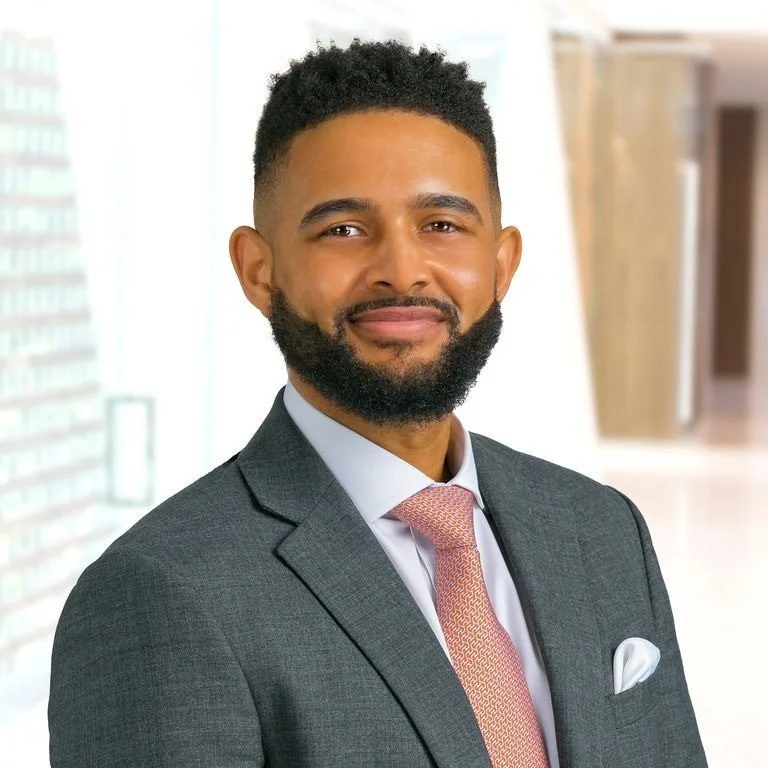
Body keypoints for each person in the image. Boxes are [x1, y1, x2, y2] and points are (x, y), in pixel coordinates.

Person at [48, 40, 708, 768]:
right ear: (259, 271)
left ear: (501, 264)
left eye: (443, 226)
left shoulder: (601, 531)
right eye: (344, 229)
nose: (401, 270)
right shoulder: (162, 595)